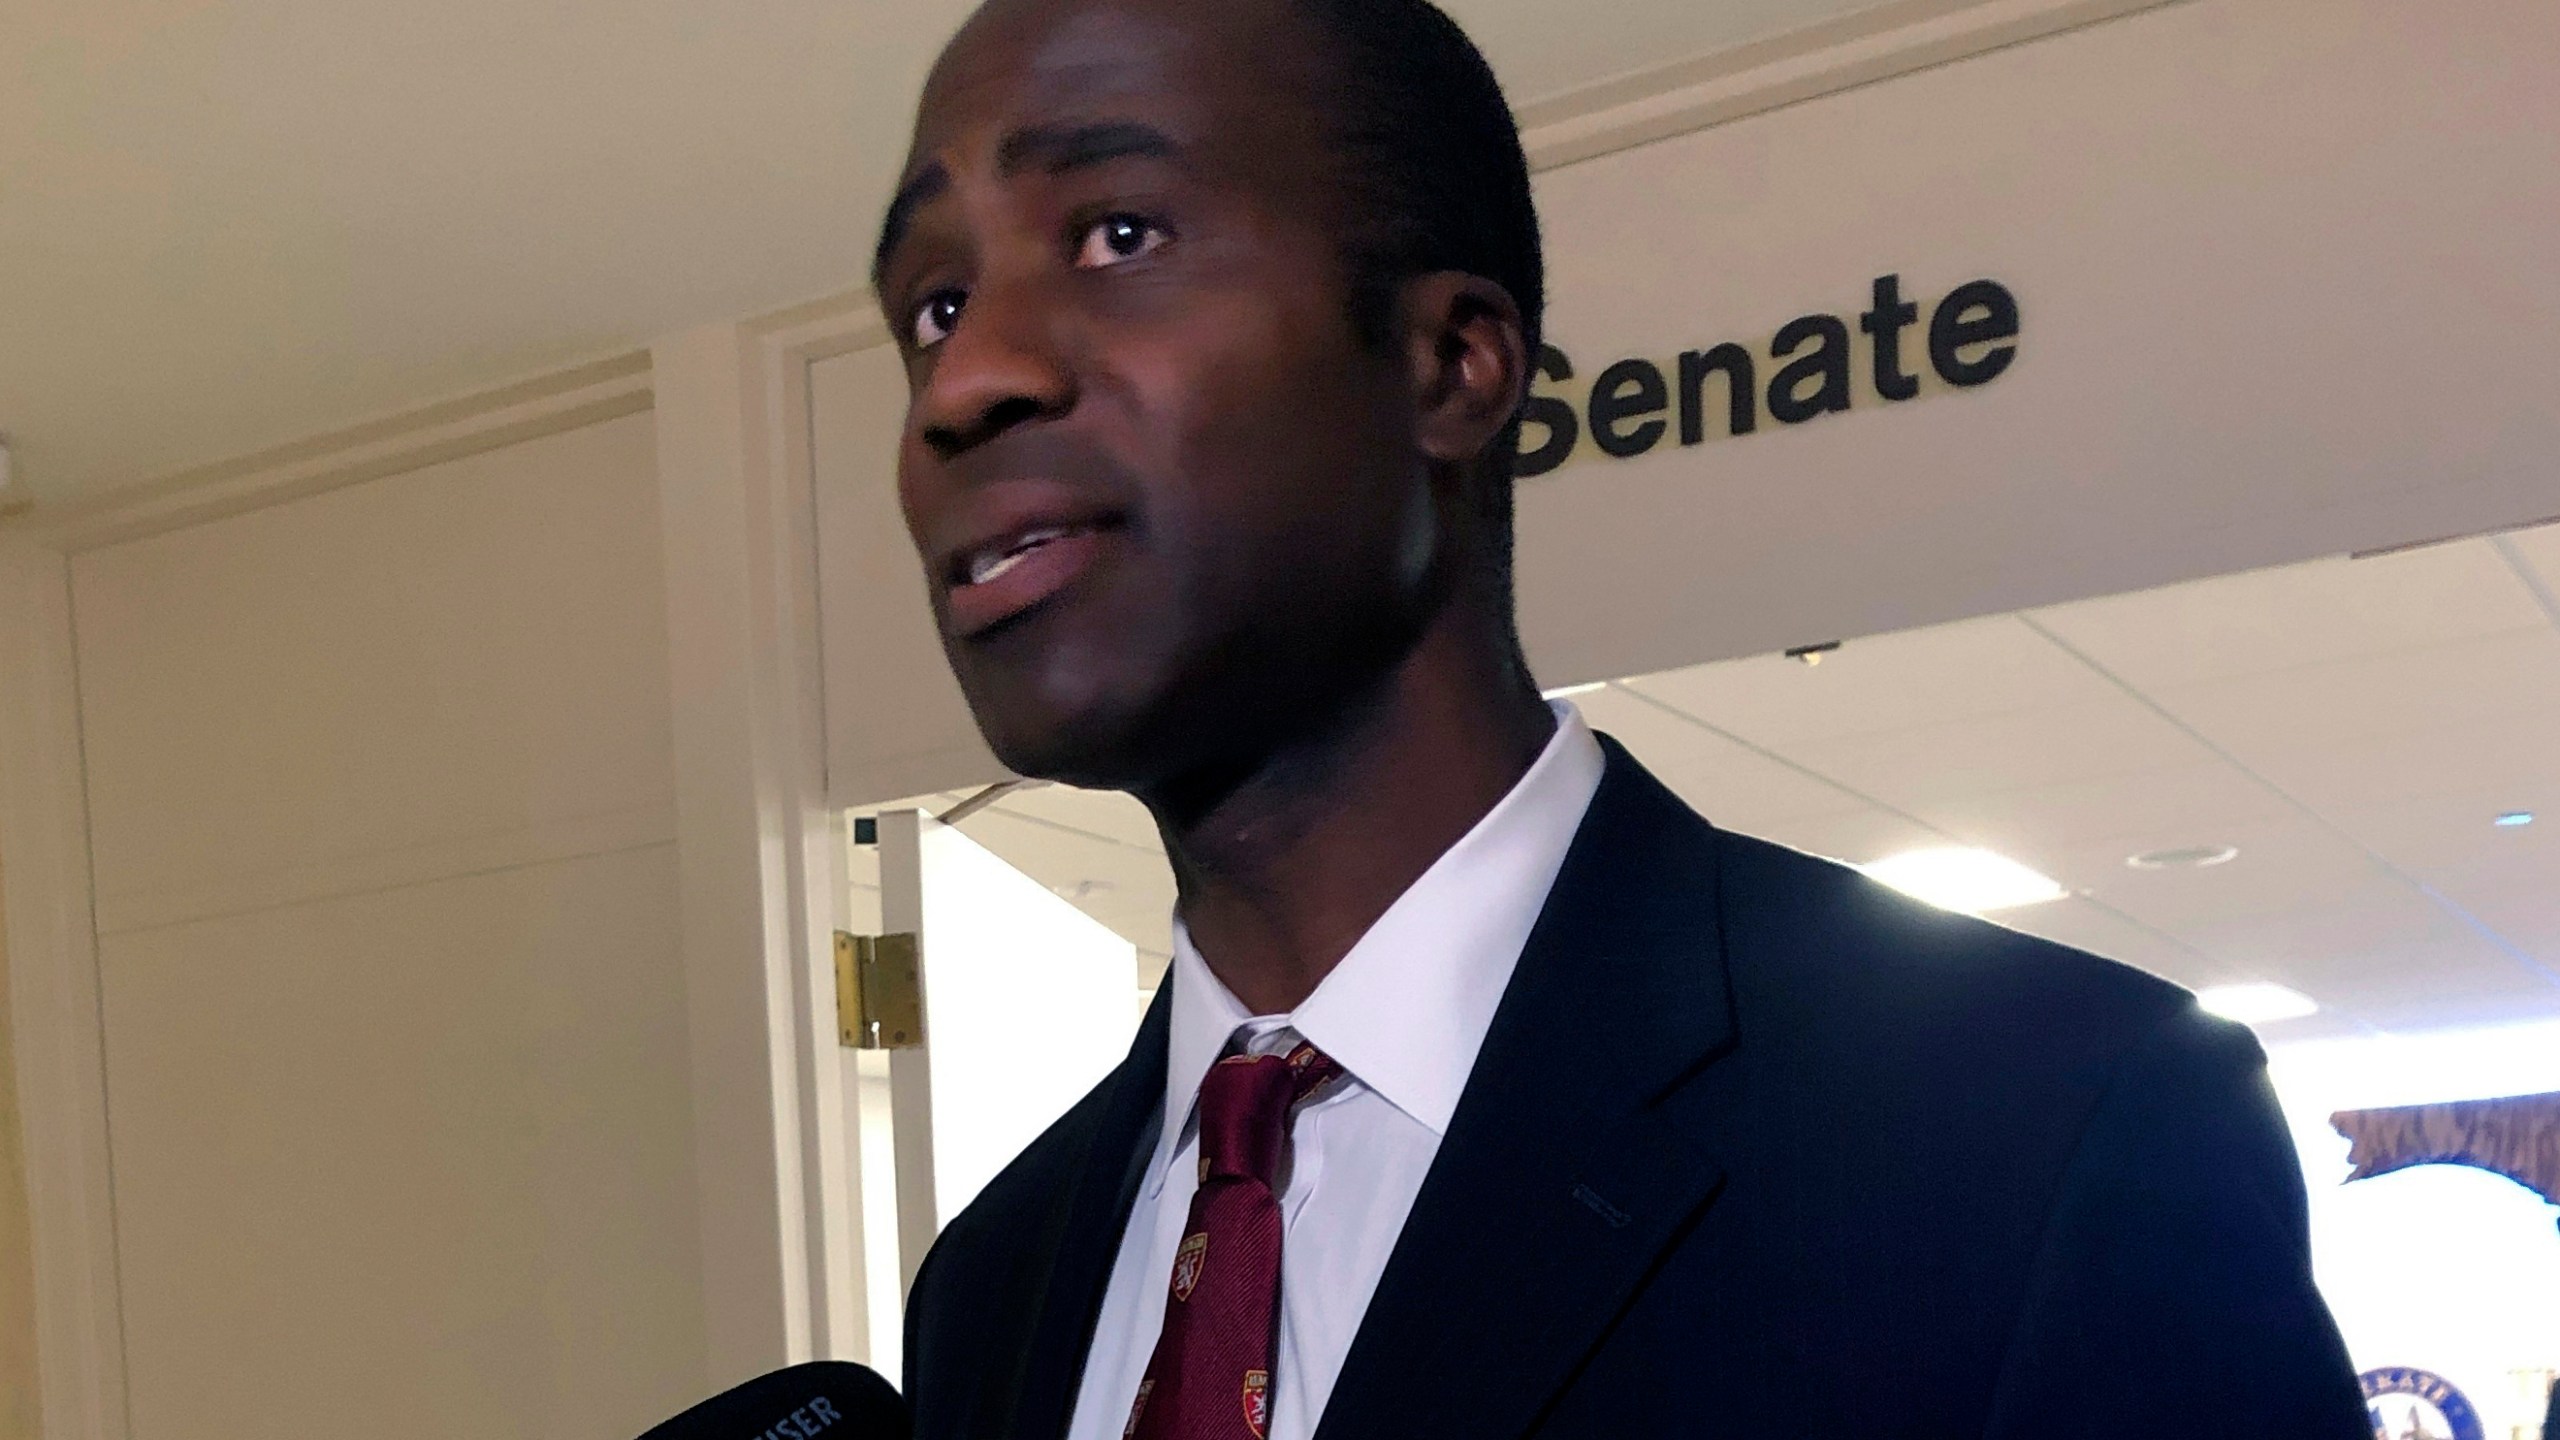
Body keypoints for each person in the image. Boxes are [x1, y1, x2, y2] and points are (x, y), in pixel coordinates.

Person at [870, 0, 2370, 1435]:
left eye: (1119, 234)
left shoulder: (2052, 1136)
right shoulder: (992, 1287)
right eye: (933, 308)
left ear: (1451, 363)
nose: (965, 380)